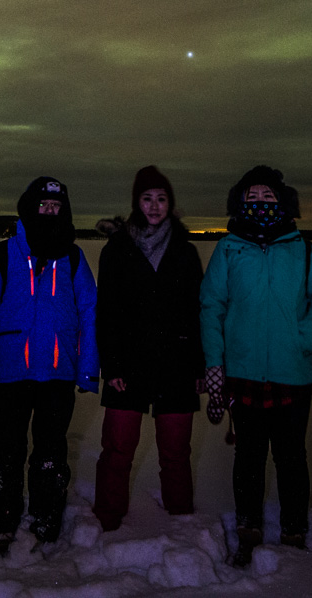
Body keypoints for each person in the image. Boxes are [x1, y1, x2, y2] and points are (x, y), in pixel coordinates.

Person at [200, 165, 312, 566]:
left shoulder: (304, 251)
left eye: (267, 197)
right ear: (240, 203)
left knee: (292, 457)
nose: (260, 204)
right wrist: (215, 363)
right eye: (252, 198)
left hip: (292, 374)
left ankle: (294, 529)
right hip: (243, 373)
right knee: (248, 458)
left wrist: (302, 338)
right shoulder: (229, 249)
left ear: (283, 202)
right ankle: (248, 528)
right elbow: (212, 306)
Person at [0, 176, 99, 555]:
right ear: (29, 208)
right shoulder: (4, 254)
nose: (50, 212)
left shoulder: (73, 259)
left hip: (58, 375)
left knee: (51, 451)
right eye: (43, 205)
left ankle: (46, 519)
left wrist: (87, 370)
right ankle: (1, 522)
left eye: (57, 207)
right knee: (7, 448)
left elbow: (91, 314)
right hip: (10, 374)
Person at [91, 165, 205, 531]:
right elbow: (106, 312)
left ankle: (181, 517)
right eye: (147, 198)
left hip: (177, 364)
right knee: (118, 448)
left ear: (170, 204)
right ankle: (108, 518)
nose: (154, 206)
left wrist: (200, 365)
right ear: (135, 203)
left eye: (161, 198)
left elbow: (197, 311)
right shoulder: (117, 250)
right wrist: (113, 366)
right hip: (129, 364)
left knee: (176, 451)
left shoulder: (186, 252)